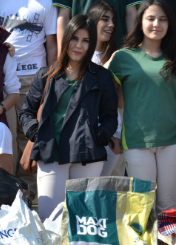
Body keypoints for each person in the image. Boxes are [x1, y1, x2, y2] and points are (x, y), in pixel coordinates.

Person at [19, 14, 118, 219]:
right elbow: (27, 111)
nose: (79, 45)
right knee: (50, 219)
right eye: (74, 38)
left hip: (88, 156)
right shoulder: (47, 74)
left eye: (85, 40)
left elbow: (110, 116)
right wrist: (36, 134)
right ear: (66, 39)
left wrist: (100, 135)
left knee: (82, 221)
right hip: (51, 154)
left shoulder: (101, 76)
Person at [109, 0, 176, 212]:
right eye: (151, 18)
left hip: (174, 140)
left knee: (167, 206)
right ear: (140, 22)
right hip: (136, 141)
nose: (156, 24)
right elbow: (105, 98)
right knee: (142, 208)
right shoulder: (122, 57)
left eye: (162, 19)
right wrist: (113, 133)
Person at [0, 0, 57, 190]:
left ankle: (32, 194)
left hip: (35, 79)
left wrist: (51, 79)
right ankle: (12, 193)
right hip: (4, 81)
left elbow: (51, 44)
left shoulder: (48, 2)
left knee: (31, 135)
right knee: (8, 139)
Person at [86, 1, 123, 176]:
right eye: (105, 19)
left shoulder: (119, 55)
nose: (111, 25)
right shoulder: (79, 52)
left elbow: (121, 102)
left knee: (112, 190)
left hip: (115, 131)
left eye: (113, 20)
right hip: (86, 132)